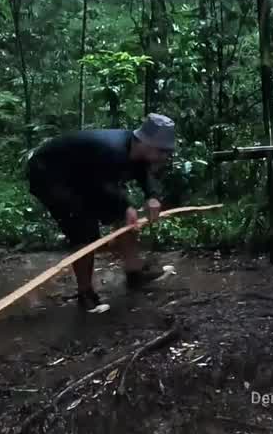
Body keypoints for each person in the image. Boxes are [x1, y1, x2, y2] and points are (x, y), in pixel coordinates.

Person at [26, 113, 176, 310]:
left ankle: (134, 274)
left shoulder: (136, 151)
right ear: (145, 144)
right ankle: (85, 293)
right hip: (50, 174)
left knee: (124, 218)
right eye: (162, 151)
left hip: (83, 176)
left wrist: (152, 196)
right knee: (83, 228)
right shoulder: (111, 150)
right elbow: (98, 184)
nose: (165, 157)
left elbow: (142, 174)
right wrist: (125, 206)